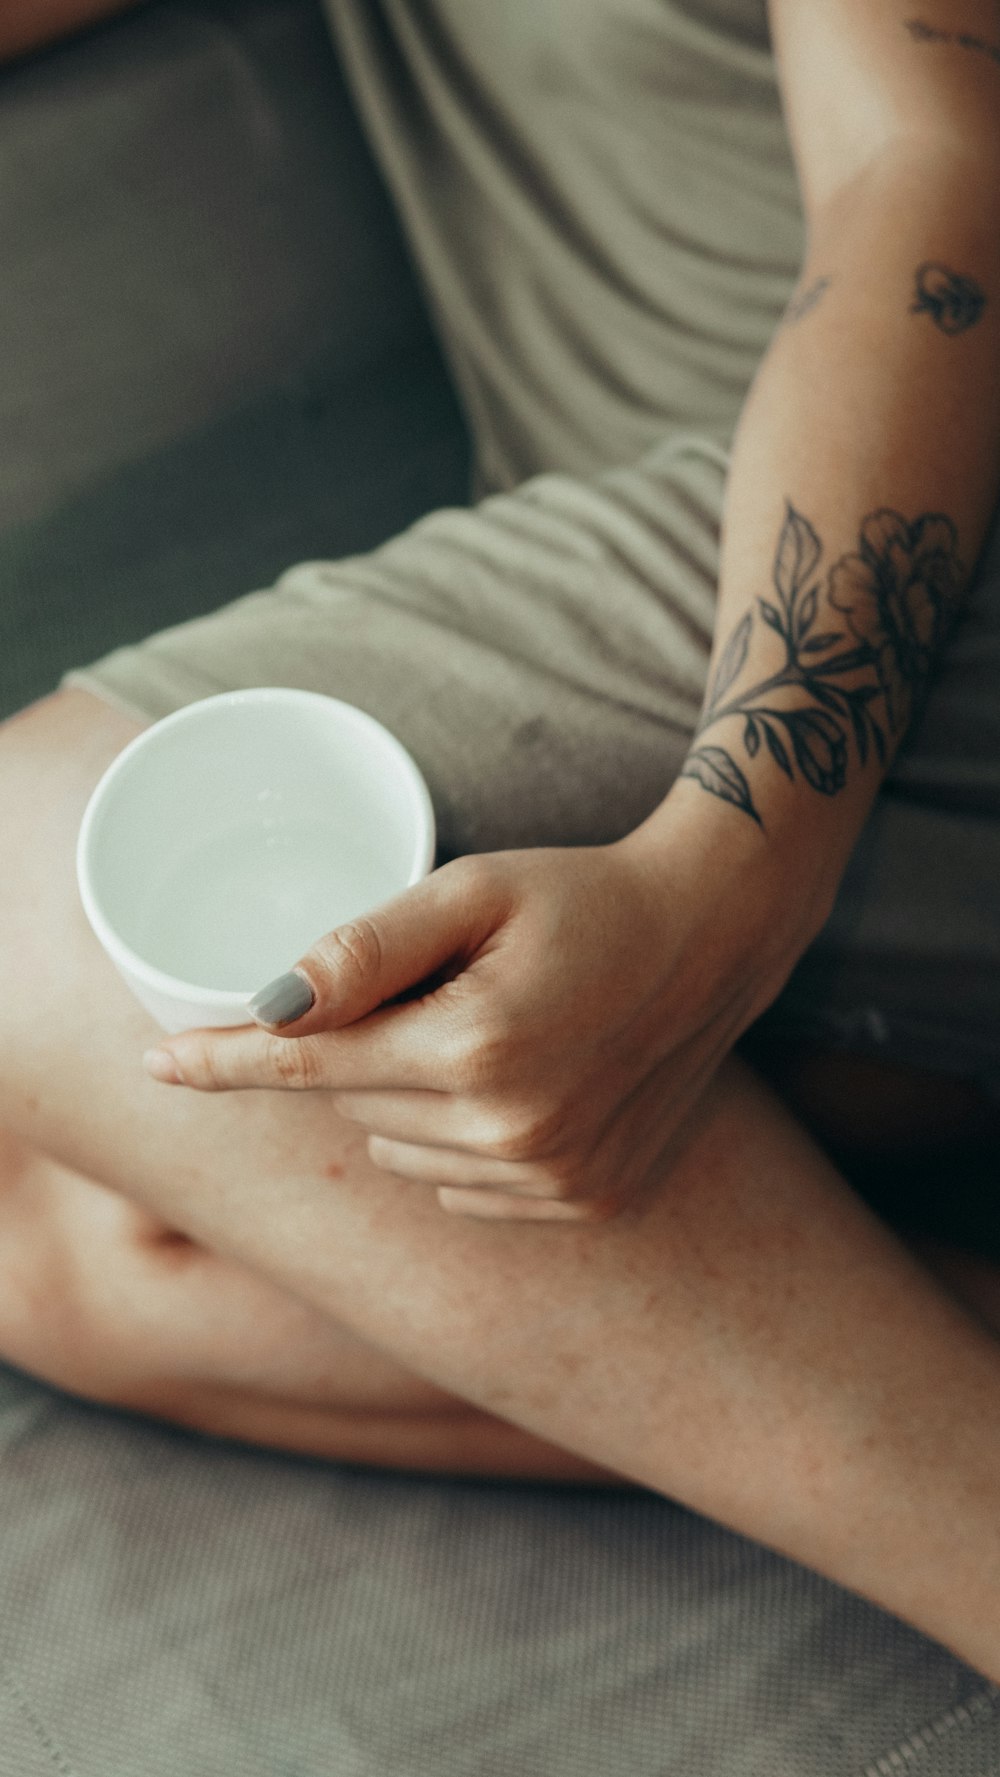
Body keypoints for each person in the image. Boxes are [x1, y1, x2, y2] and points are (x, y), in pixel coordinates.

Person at [1, 0, 1000, 1681]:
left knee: (43, 887)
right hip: (646, 603)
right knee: (64, 1242)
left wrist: (736, 867)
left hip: (903, 503)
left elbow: (939, 177)